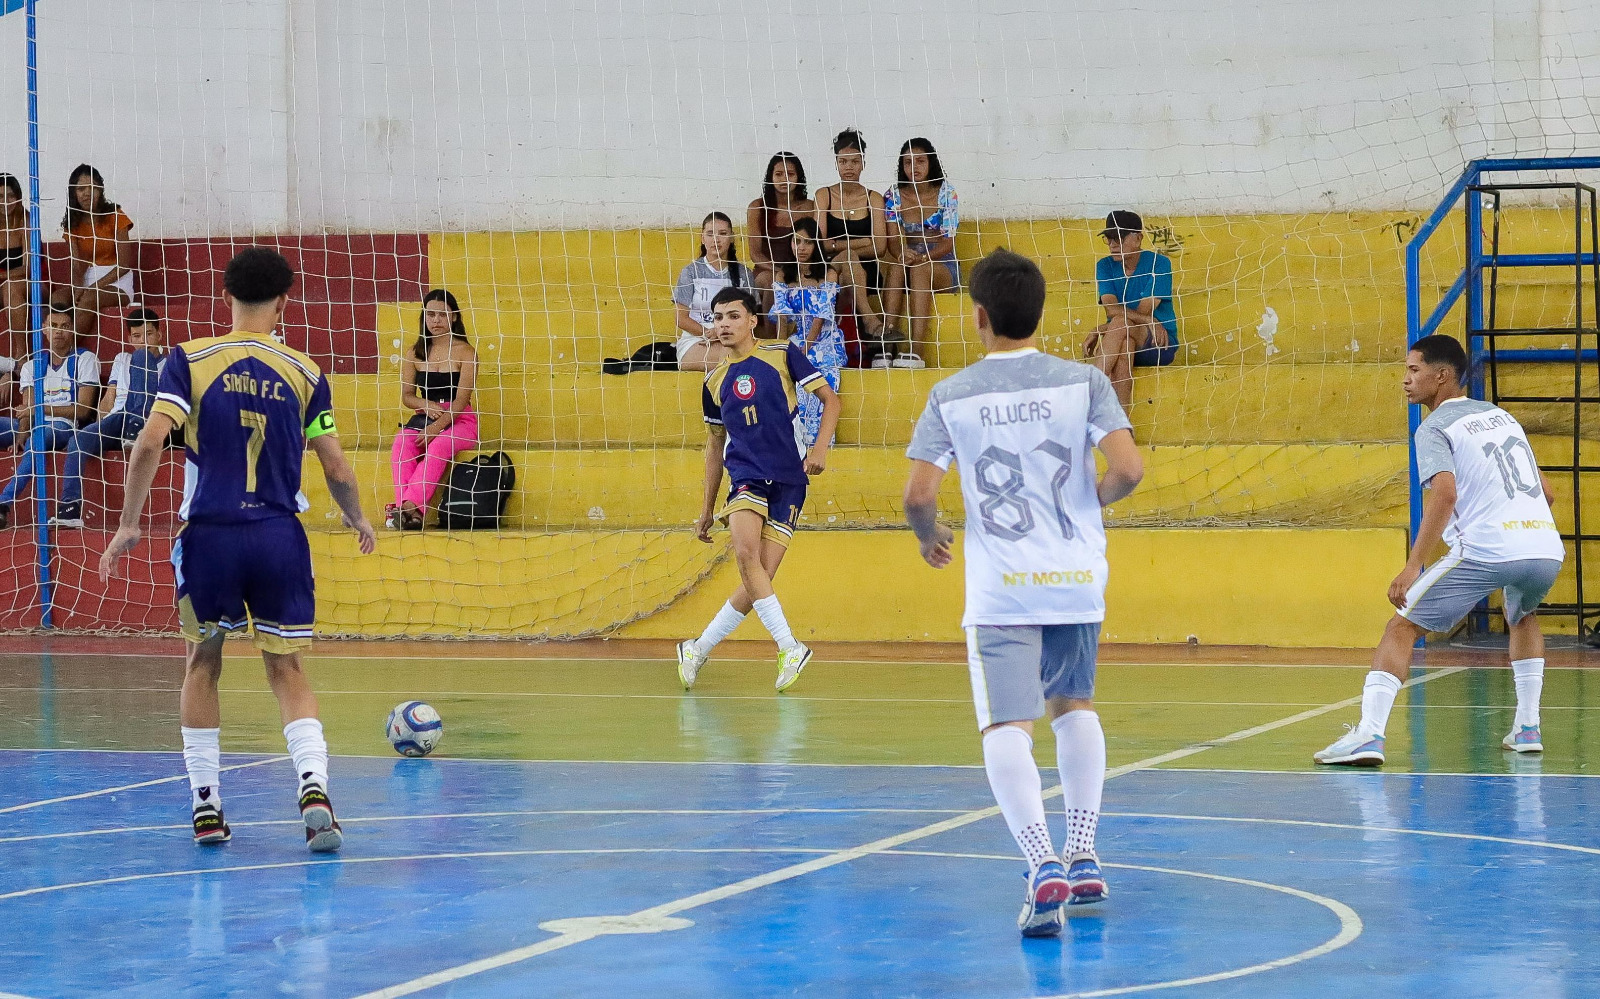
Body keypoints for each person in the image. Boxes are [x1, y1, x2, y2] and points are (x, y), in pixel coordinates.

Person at [99, 246, 377, 851]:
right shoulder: (305, 372)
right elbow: (334, 464)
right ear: (284, 302)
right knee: (287, 669)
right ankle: (314, 789)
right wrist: (357, 517)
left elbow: (148, 443)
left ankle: (206, 806)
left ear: (225, 296)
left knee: (202, 664)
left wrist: (128, 523)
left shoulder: (189, 360)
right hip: (278, 537)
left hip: (210, 538)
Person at [902, 249, 1144, 936]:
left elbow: (919, 495)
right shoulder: (1084, 381)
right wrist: (1089, 503)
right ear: (1040, 313)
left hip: (1003, 587)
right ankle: (1084, 852)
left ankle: (1042, 863)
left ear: (979, 316)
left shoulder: (952, 394)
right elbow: (1129, 468)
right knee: (1075, 706)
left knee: (1006, 724)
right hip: (1074, 576)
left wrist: (929, 535)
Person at [1315, 335, 1562, 766]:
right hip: (1544, 547)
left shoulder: (1433, 428)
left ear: (1442, 376)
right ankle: (1527, 728)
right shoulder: (1500, 416)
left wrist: (1413, 565)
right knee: (1522, 616)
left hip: (1486, 550)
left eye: (1414, 370)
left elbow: (1445, 495)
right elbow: (1548, 492)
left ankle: (1368, 736)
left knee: (1400, 627)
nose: (1405, 380)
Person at [676, 287, 841, 692]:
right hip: (745, 476)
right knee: (747, 556)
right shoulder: (714, 381)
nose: (724, 324)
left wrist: (820, 449)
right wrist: (706, 508)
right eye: (717, 317)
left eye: (733, 316)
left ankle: (698, 648)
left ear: (752, 321)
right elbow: (714, 446)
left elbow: (831, 401)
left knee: (759, 578)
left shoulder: (782, 354)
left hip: (790, 480)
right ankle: (789, 646)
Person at [50, 307, 168, 528]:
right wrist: (98, 427)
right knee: (79, 440)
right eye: (136, 336)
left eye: (149, 334)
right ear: (129, 338)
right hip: (119, 420)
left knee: (142, 356)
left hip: (151, 419)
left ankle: (136, 427)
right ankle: (70, 508)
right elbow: (108, 399)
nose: (143, 340)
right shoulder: (121, 359)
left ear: (159, 335)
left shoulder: (169, 364)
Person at [0, 299, 101, 528]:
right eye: (54, 325)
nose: (59, 332)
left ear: (72, 329)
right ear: (44, 329)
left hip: (64, 426)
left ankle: (4, 502)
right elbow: (27, 410)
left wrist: (38, 410)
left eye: (65, 326)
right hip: (35, 425)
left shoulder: (85, 359)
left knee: (40, 434)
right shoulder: (32, 366)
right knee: (31, 432)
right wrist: (21, 434)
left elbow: (82, 410)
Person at [389, 290, 478, 531]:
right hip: (425, 416)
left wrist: (436, 428)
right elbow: (408, 396)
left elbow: (461, 400)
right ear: (424, 317)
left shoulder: (467, 352)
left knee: (439, 445)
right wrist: (426, 405)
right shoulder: (414, 352)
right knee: (402, 443)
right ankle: (412, 515)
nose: (436, 320)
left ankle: (407, 507)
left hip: (460, 420)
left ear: (454, 317)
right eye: (430, 315)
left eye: (442, 314)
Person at [1084, 210, 1179, 410]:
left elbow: (1142, 312)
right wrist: (1148, 320)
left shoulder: (1159, 264)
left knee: (1121, 323)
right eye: (1109, 238)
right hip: (1120, 341)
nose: (1112, 244)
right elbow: (1111, 309)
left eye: (1119, 238)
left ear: (1138, 238)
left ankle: (1090, 390)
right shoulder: (1104, 266)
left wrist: (1102, 329)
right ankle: (1122, 423)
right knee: (1125, 345)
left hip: (1157, 343)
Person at [815, 129, 895, 358]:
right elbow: (819, 245)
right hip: (830, 270)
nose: (848, 167)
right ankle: (871, 322)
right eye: (843, 162)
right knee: (848, 257)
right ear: (836, 164)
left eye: (854, 161)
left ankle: (867, 337)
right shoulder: (824, 195)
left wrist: (837, 244)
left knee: (849, 257)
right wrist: (863, 242)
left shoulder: (873, 198)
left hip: (867, 273)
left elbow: (880, 248)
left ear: (863, 164)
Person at [881, 138, 959, 367]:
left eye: (920, 161)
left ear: (930, 163)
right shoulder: (893, 195)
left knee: (919, 269)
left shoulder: (947, 193)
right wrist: (902, 254)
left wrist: (923, 257)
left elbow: (948, 244)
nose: (914, 167)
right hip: (909, 258)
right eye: (908, 162)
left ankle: (917, 351)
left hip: (941, 263)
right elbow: (893, 241)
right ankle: (887, 346)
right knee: (896, 267)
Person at [769, 219, 845, 447]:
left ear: (816, 245)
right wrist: (780, 349)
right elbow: (783, 317)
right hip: (797, 338)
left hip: (826, 341)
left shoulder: (828, 273)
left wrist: (806, 348)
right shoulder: (783, 275)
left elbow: (821, 316)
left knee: (822, 381)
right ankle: (794, 442)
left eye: (808, 242)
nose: (801, 247)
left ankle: (818, 442)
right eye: (797, 241)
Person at [672, 212, 756, 372]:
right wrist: (710, 333)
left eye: (722, 234)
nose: (716, 240)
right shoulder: (690, 272)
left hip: (735, 338)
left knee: (734, 352)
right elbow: (680, 319)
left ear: (732, 238)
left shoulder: (744, 274)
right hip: (698, 340)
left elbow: (750, 317)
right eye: (710, 234)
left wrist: (725, 333)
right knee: (731, 355)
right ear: (702, 238)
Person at [63, 164, 137, 340]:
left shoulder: (116, 216)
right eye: (81, 189)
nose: (87, 193)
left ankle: (66, 348)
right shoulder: (73, 223)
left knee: (89, 298)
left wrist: (91, 289)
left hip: (117, 282)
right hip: (87, 280)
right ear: (74, 193)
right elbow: (76, 265)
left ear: (100, 190)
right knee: (58, 298)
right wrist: (77, 288)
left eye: (93, 188)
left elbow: (124, 265)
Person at [746, 152, 814, 307]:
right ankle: (772, 325)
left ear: (799, 177)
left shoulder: (810, 207)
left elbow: (816, 245)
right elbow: (755, 254)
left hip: (801, 270)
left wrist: (800, 272)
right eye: (778, 174)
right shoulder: (757, 207)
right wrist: (780, 272)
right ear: (770, 177)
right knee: (773, 282)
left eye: (790, 174)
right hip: (766, 271)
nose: (785, 179)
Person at [2, 173, 28, 348]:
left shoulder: (26, 220)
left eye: (10, 196)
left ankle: (22, 352)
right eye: (0, 196)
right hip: (3, 285)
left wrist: (4, 276)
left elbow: (29, 268)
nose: (5, 201)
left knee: (10, 287)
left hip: (31, 283)